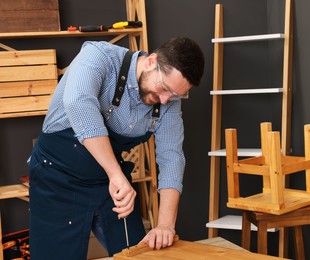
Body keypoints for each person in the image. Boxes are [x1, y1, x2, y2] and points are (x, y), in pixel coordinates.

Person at [28, 36, 205, 259]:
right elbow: (78, 103)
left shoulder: (168, 101)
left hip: (108, 184)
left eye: (176, 95)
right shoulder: (99, 56)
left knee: (139, 253)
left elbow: (172, 158)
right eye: (163, 88)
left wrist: (166, 225)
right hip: (56, 178)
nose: (165, 100)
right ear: (151, 61)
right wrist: (116, 175)